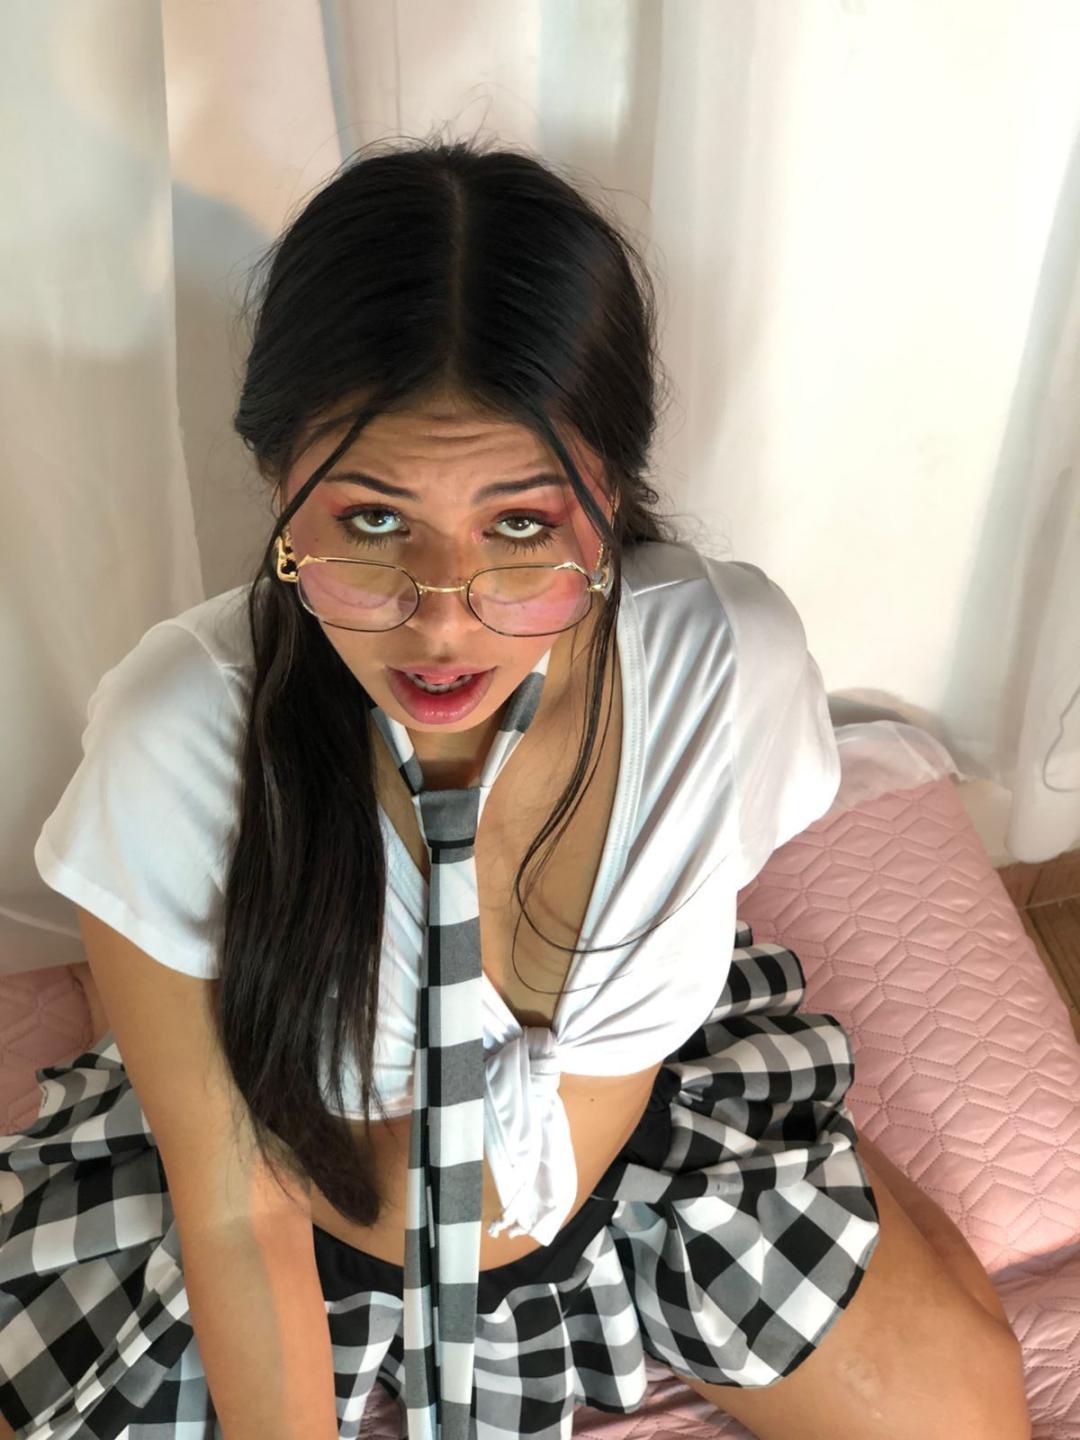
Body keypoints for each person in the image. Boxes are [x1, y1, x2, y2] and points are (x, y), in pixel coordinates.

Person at [0, 134, 1029, 1440]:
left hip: (632, 1173)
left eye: (522, 526)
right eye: (374, 521)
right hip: (291, 1224)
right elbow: (236, 1211)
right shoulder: (179, 738)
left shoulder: (725, 667)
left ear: (613, 489)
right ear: (278, 484)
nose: (445, 620)